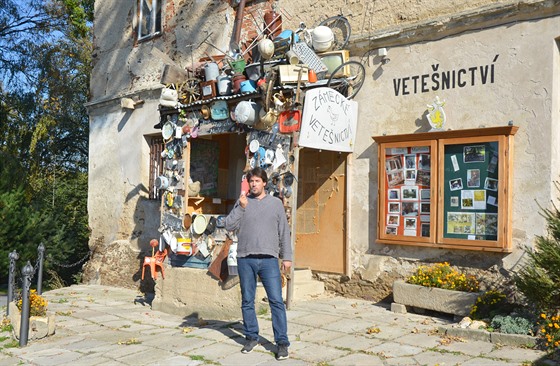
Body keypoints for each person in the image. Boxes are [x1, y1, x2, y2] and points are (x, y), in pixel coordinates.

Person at [225, 167, 292, 360]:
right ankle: (251, 337)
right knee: (247, 300)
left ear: (264, 183)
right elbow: (229, 225)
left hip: (269, 259)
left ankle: (281, 343)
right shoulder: (243, 203)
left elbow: (283, 232)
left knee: (276, 301)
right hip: (245, 258)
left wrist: (286, 257)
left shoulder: (275, 204)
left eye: (257, 181)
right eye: (251, 181)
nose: (253, 184)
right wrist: (241, 206)